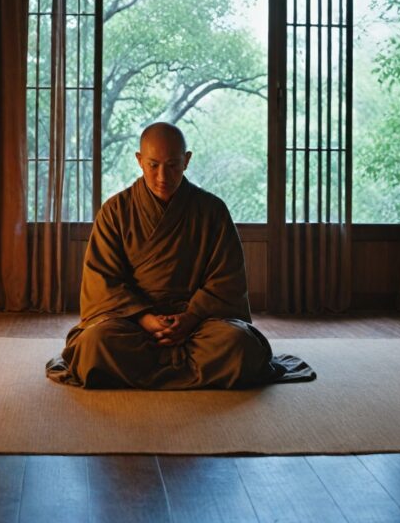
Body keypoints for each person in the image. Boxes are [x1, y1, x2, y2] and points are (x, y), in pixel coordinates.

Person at [46, 122, 314, 389]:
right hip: (133, 325)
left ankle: (140, 371)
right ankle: (197, 371)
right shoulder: (115, 211)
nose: (163, 176)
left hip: (199, 326)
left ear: (186, 161)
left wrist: (190, 317)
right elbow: (103, 281)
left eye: (173, 165)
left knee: (240, 345)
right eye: (153, 165)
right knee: (95, 345)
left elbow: (226, 280)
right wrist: (146, 319)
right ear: (139, 161)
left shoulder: (212, 211)